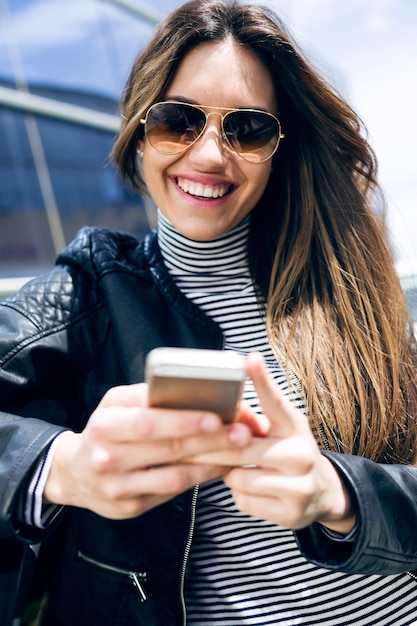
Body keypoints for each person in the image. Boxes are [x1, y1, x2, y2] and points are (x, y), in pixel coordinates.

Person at [1, 0, 417, 624]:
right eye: (177, 121)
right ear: (139, 134)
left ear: (279, 149)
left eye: (248, 129)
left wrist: (341, 495)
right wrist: (60, 469)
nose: (211, 155)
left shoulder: (350, 291)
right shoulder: (91, 290)